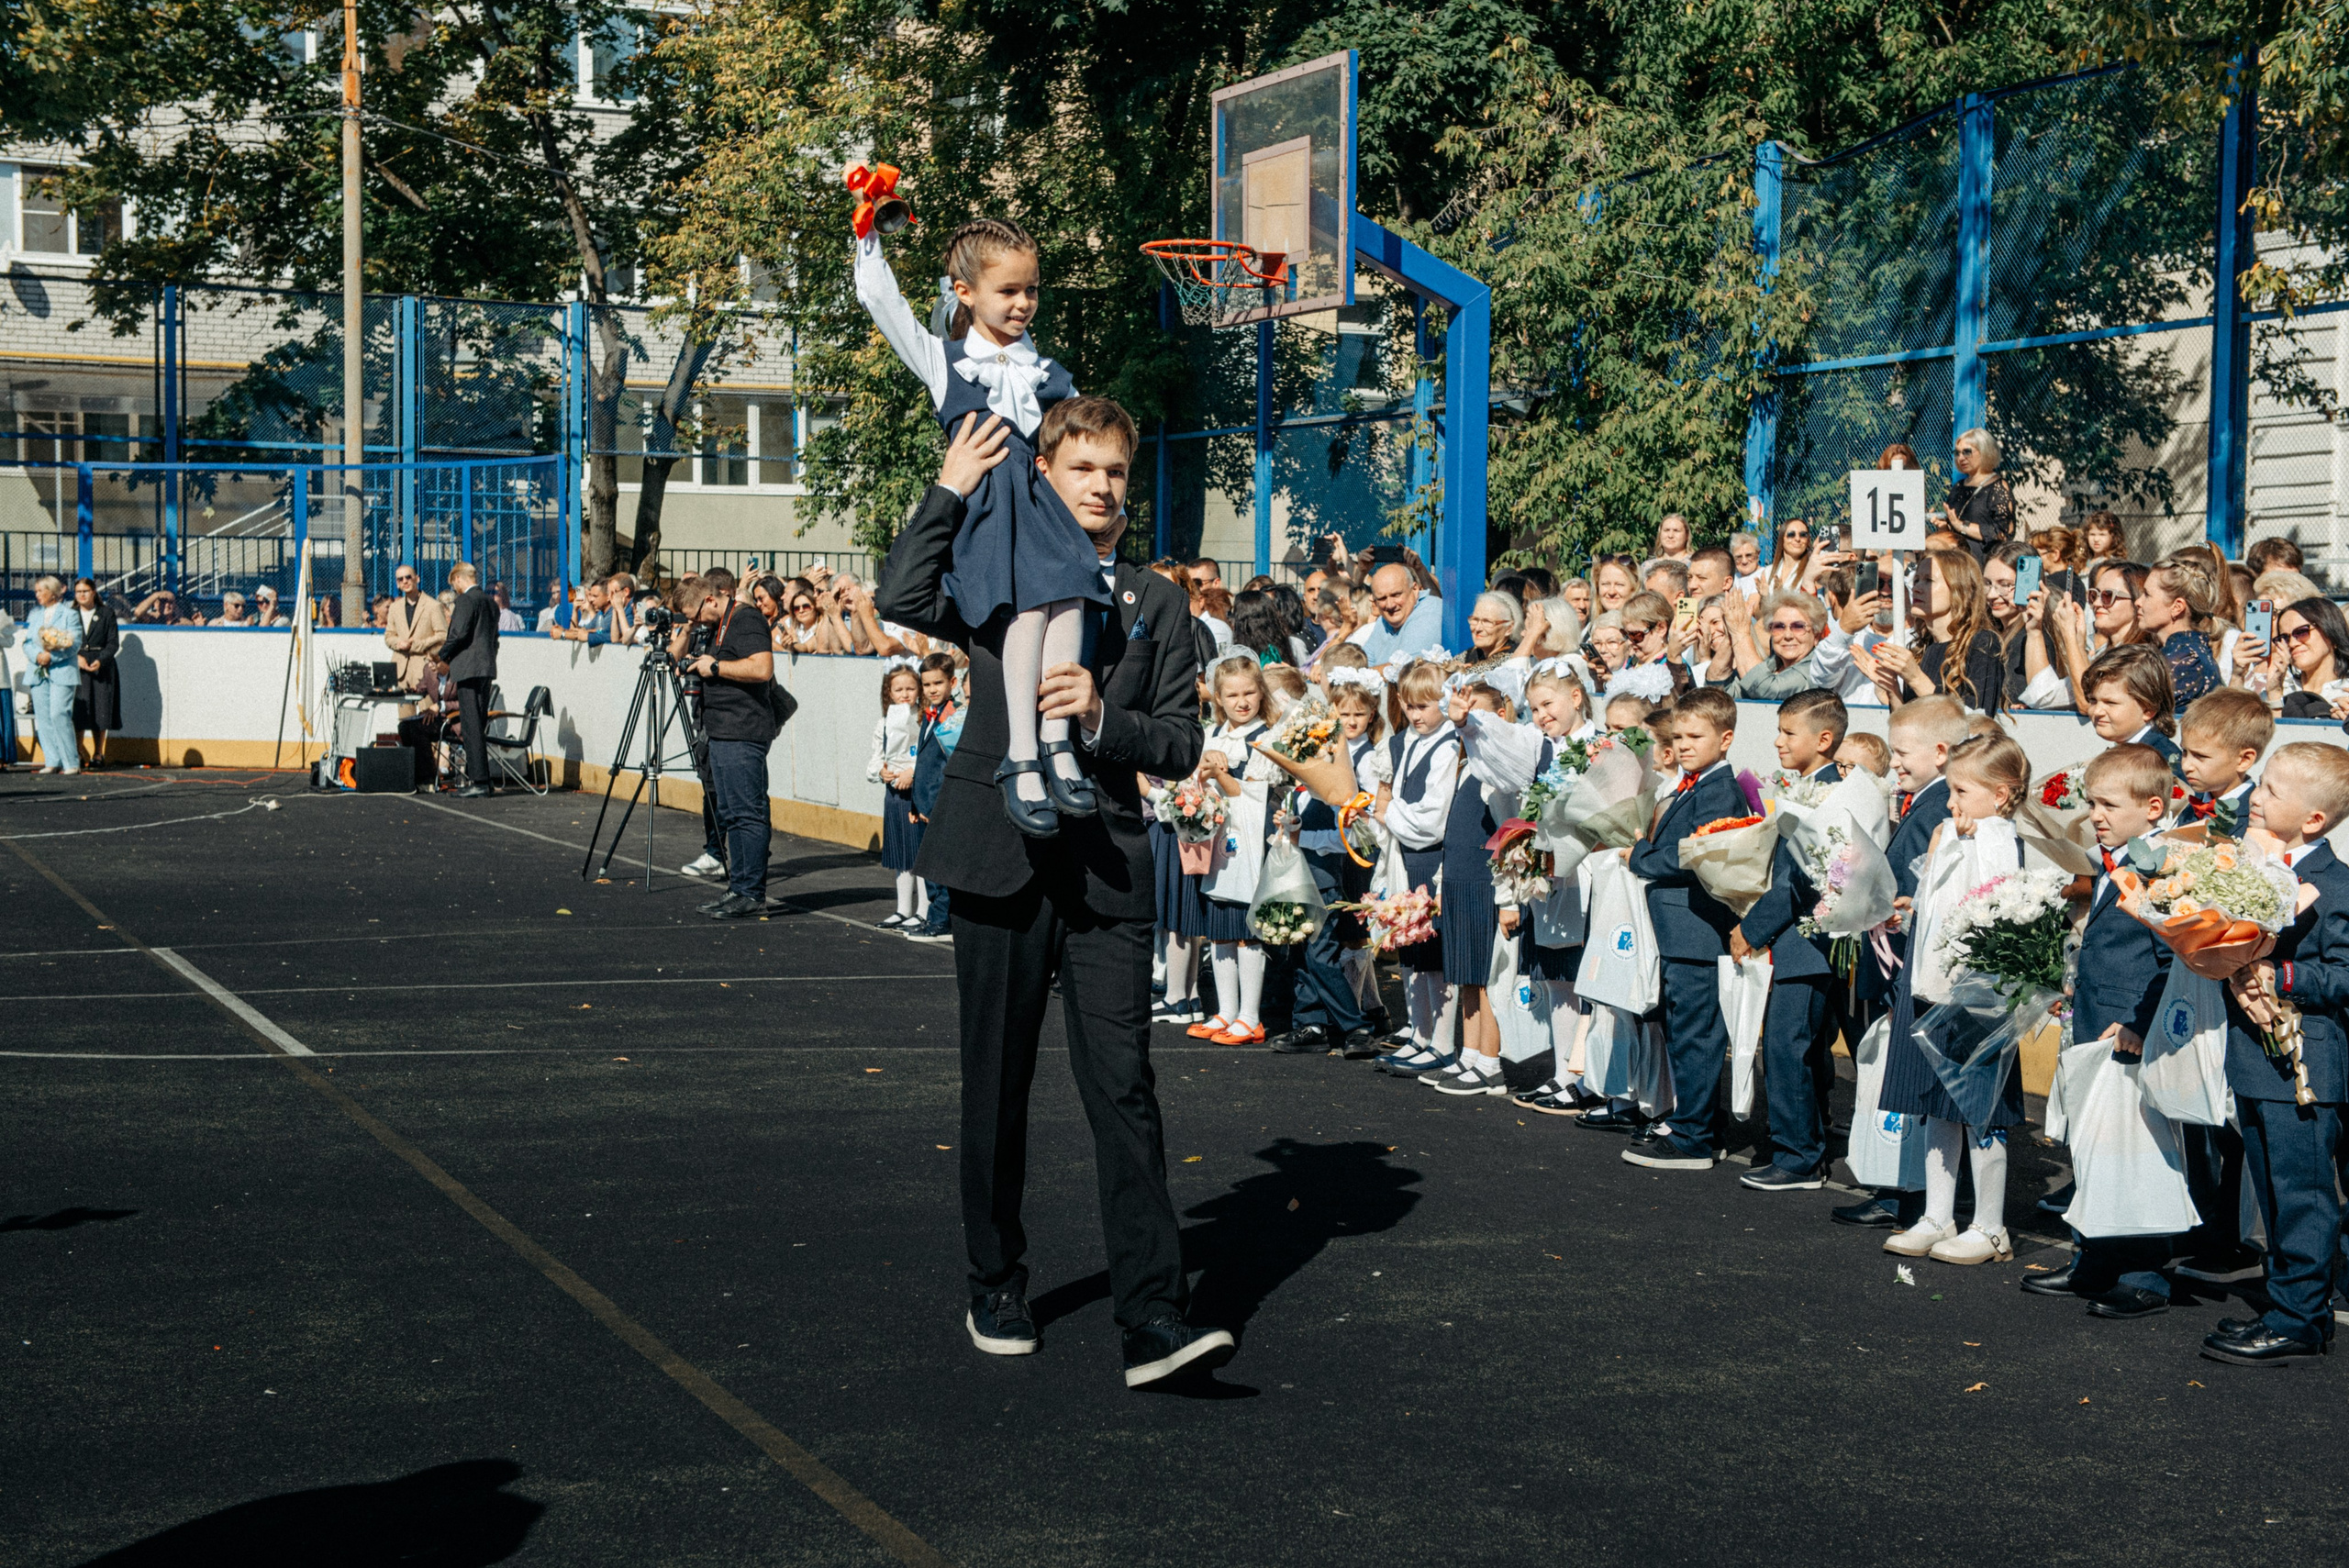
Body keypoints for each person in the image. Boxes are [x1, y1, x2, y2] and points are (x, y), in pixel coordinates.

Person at [874, 397, 1233, 1388]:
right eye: (1083, 469)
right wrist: (951, 485)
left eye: (1116, 471)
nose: (1103, 487)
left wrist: (1104, 715)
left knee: (1124, 1088)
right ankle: (995, 1279)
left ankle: (1154, 1318)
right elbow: (901, 593)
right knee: (996, 1082)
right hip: (998, 854)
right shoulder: (997, 567)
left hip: (1106, 865)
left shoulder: (1157, 603)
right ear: (1044, 473)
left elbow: (1180, 743)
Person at [858, 217, 1110, 839]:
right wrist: (868, 232)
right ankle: (1022, 752)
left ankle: (1057, 741)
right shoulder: (947, 364)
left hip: (1046, 510)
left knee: (1071, 595)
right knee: (1026, 609)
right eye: (1008, 291)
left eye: (1032, 290)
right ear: (965, 291)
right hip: (994, 515)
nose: (1023, 303)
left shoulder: (1050, 374)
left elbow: (1081, 448)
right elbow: (880, 300)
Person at [2205, 743, 2349, 1364]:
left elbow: (2343, 974)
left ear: (2313, 819)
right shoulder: (2254, 868)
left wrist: (2283, 977)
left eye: (2268, 789)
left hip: (2305, 1063)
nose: (2254, 797)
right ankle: (2294, 1301)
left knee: (2304, 1192)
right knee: (2271, 1187)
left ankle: (2298, 1316)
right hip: (2255, 1058)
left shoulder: (2336, 884)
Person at [2023, 744, 2178, 1315]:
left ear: (2154, 808)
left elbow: (2172, 961)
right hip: (2094, 1021)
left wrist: (2141, 1022)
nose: (2097, 815)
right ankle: (2093, 1259)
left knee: (2136, 1152)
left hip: (2130, 1032)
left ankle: (2146, 1274)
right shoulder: (2112, 861)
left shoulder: (2161, 869)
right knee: (2091, 1147)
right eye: (2092, 802)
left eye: (2110, 804)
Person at [1878, 731, 2032, 1264]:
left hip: (1973, 999)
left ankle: (1990, 1226)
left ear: (2002, 793)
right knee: (1935, 1106)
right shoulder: (1957, 834)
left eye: (1963, 791)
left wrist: (1963, 840)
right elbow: (1941, 902)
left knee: (1979, 1110)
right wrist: (1912, 906)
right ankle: (1937, 1215)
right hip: (1928, 987)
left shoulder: (1997, 838)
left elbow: (1995, 899)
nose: (1951, 802)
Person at [1833, 696, 1965, 1229]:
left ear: (1941, 751)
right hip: (1896, 950)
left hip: (1912, 957)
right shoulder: (1922, 798)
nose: (1897, 762)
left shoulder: (1939, 806)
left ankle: (1907, 1193)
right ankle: (1899, 1185)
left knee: (1912, 1078)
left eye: (1904, 752)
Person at [1733, 689, 1854, 1190]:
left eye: (1789, 733)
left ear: (1824, 740)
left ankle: (1798, 1156)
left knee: (1788, 1046)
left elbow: (1800, 879)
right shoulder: (1811, 786)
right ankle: (1809, 1139)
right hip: (1802, 941)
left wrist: (1751, 929)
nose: (1778, 741)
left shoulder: (1826, 794)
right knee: (1804, 1048)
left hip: (1806, 942)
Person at [1620, 686, 1745, 1169]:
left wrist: (1642, 857)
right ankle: (1693, 1120)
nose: (1685, 744)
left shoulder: (1717, 789)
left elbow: (1700, 855)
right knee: (1682, 1028)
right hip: (1679, 930)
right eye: (1679, 736)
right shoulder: (1696, 783)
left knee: (1696, 1031)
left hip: (1696, 931)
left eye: (1696, 735)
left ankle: (1695, 1134)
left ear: (1726, 737)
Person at [669, 566, 779, 917]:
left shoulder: (745, 620)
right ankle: (738, 888)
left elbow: (762, 668)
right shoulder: (717, 624)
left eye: (698, 615)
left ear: (712, 599)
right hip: (720, 730)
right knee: (730, 813)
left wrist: (714, 668)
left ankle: (750, 891)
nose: (698, 623)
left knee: (748, 813)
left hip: (742, 730)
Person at [1369, 661, 1460, 1074]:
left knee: (1433, 951)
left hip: (1430, 856)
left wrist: (1387, 813)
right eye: (1409, 707)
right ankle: (1419, 1032)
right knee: (1410, 949)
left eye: (1425, 706)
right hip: (1405, 855)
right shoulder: (1410, 741)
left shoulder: (1447, 744)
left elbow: (1432, 817)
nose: (1417, 715)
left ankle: (1441, 1042)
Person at [1190, 656, 1275, 1045]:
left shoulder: (1267, 737)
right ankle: (1225, 1010)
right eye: (1232, 695)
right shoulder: (1213, 734)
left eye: (1249, 692)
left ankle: (1250, 1015)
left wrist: (1219, 772)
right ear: (1218, 699)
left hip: (1251, 842)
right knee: (1221, 929)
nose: (1242, 702)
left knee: (1247, 931)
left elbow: (1254, 794)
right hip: (1218, 843)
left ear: (1261, 692)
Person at [1869, 548, 2006, 713]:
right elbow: (1910, 724)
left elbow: (1975, 722)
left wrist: (1915, 678)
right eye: (1917, 580)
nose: (1917, 588)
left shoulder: (1982, 643)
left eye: (1929, 580)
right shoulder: (1922, 649)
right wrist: (1892, 689)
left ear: (1960, 589)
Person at [871, 662, 928, 930]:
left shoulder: (924, 718)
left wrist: (912, 773)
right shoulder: (884, 723)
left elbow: (929, 758)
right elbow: (874, 761)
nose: (904, 694)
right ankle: (903, 909)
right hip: (894, 795)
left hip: (917, 794)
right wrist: (880, 773)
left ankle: (925, 911)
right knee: (901, 856)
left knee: (919, 856)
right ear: (889, 693)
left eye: (910, 688)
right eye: (898, 689)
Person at [437, 562, 500, 798]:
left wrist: (441, 655)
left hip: (468, 668)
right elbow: (495, 637)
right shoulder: (490, 603)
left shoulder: (465, 601)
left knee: (471, 724)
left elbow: (459, 633)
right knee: (478, 723)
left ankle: (479, 781)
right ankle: (483, 778)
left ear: (459, 579)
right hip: (486, 667)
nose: (454, 588)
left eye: (454, 583)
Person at [2139, 551, 2225, 711]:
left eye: (2147, 595)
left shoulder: (2185, 661)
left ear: (2177, 607)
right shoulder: (2183, 651)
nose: (2138, 602)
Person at [2079, 644, 2181, 767]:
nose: (2097, 712)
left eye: (2110, 703)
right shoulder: (2129, 750)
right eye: (2093, 700)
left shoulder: (2162, 763)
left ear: (2148, 709)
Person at [23, 575, 81, 774]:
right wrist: (38, 656)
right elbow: (27, 642)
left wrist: (51, 657)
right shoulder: (35, 615)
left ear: (53, 592)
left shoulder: (69, 614)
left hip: (62, 671)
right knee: (44, 716)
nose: (37, 595)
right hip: (38, 671)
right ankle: (52, 759)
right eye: (37, 591)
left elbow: (74, 643)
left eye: (41, 591)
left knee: (59, 713)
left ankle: (71, 761)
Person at [1943, 427, 2014, 562]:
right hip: (1958, 558)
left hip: (1984, 561)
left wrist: (1961, 526)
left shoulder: (1997, 486)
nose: (1961, 458)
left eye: (1967, 452)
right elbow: (1954, 527)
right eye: (1957, 453)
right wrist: (1945, 525)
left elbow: (2002, 533)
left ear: (1985, 451)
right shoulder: (1958, 487)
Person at [69, 577, 119, 768]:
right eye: (78, 591)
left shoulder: (106, 613)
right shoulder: (70, 614)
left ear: (94, 593)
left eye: (85, 591)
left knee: (101, 710)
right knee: (79, 710)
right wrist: (77, 657)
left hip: (102, 667)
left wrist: (101, 660)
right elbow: (65, 641)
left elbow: (113, 642)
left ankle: (99, 753)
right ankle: (78, 752)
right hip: (78, 665)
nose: (82, 595)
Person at [2272, 597, 2349, 718]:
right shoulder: (2279, 689)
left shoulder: (2346, 692)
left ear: (2330, 632)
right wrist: (2274, 693)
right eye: (2285, 638)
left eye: (2302, 632)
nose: (2292, 643)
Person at [1358, 562, 1445, 662]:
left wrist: (1362, 674)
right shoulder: (1383, 620)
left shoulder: (1429, 609)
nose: (1390, 605)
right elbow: (1363, 662)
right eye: (1382, 598)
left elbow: (1406, 666)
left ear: (1415, 589)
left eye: (1396, 595)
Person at [385, 562, 450, 689]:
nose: (405, 581)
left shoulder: (433, 606)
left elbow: (443, 636)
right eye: (400, 579)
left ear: (417, 578)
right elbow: (389, 635)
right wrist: (398, 643)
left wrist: (417, 645)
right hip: (401, 670)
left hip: (425, 669)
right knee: (404, 708)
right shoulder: (394, 608)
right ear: (397, 584)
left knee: (427, 709)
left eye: (408, 577)